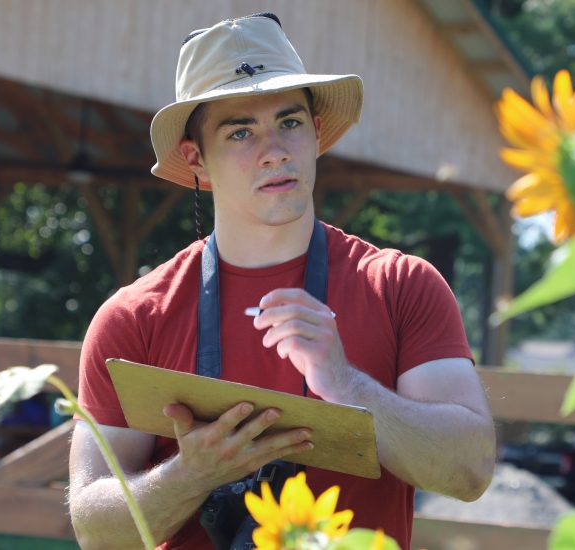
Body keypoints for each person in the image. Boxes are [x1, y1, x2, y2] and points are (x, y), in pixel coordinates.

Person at [68, 13, 496, 549]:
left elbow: (471, 471)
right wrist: (192, 474)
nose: (275, 150)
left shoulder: (401, 286)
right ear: (195, 157)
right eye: (241, 131)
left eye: (290, 122)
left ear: (316, 132)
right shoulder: (135, 317)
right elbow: (94, 532)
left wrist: (347, 385)